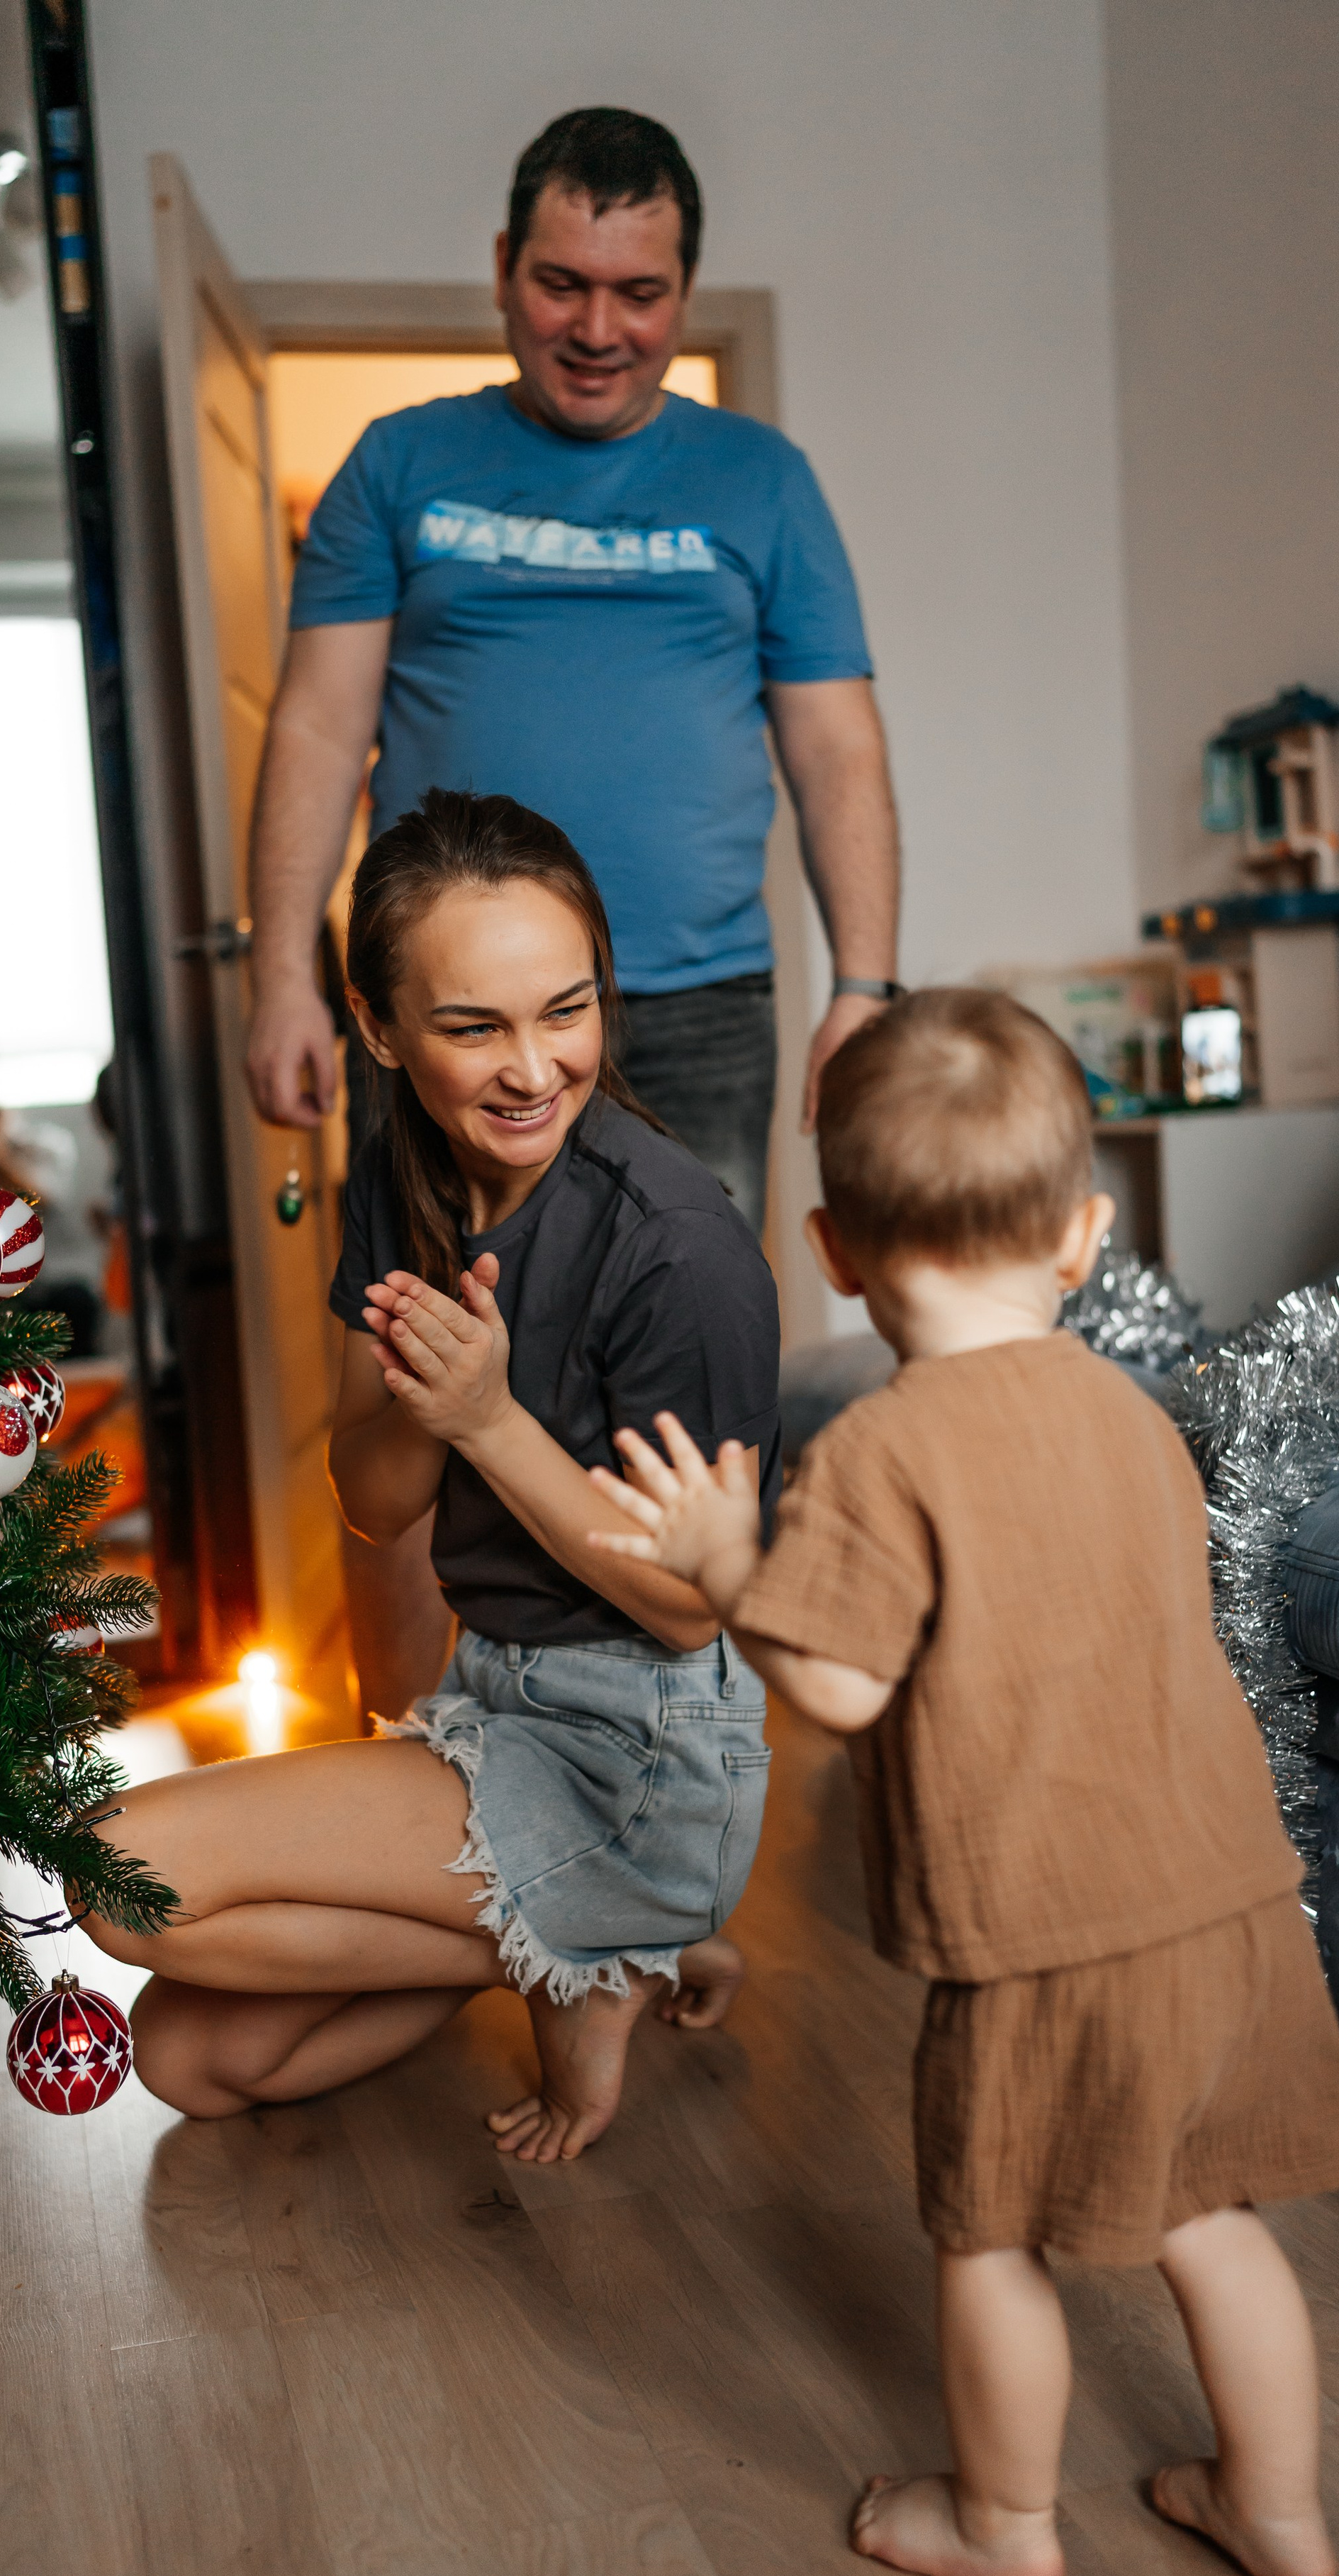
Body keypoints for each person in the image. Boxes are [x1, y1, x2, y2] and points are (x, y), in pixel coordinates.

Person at [588, 987, 1339, 2576]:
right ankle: (1279, 2512)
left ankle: (1004, 2525)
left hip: (1040, 1937)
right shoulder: (1139, 1419)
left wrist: (731, 1564)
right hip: (1225, 1901)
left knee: (990, 2236)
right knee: (1210, 2215)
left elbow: (837, 1689)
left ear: (832, 1249)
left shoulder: (882, 1449)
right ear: (1082, 1238)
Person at [247, 104, 898, 1717]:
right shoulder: (402, 466)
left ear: (682, 287)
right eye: (560, 284)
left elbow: (834, 743)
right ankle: (402, 1760)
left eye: (639, 290)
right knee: (414, 1380)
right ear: (501, 272)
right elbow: (318, 728)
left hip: (694, 1009)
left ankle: (661, 1817)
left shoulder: (760, 483)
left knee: (674, 1411)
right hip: (445, 1019)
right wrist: (282, 977)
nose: (598, 327)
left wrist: (866, 985)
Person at [81, 790, 780, 2162]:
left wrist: (488, 1415)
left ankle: (630, 1908)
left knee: (124, 1881)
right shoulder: (406, 1174)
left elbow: (693, 1607)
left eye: (565, 1012)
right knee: (190, 2058)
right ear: (378, 1029)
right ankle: (591, 1947)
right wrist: (435, 1404)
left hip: (639, 1747)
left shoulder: (679, 1249)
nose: (533, 1070)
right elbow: (375, 1498)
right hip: (490, 1702)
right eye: (474, 1028)